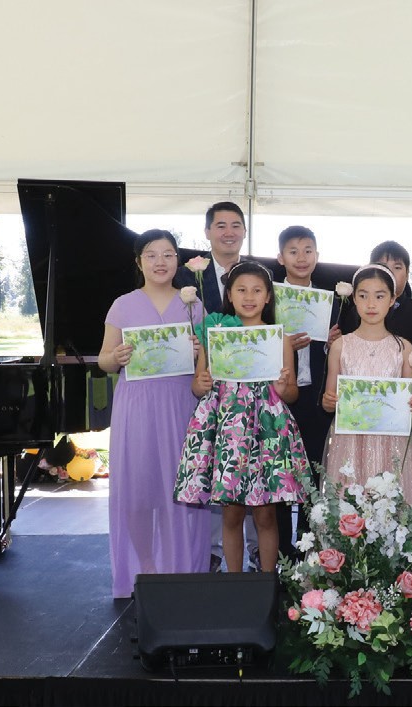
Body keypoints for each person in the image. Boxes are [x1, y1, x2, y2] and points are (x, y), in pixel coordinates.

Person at [174, 261, 311, 573]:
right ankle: (235, 583)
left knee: (266, 514)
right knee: (232, 513)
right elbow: (197, 386)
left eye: (257, 290)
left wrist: (282, 388)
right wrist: (201, 383)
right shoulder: (215, 335)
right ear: (230, 295)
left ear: (268, 297)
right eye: (241, 290)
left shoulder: (279, 339)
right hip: (228, 432)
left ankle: (267, 583)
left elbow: (292, 393)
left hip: (268, 433)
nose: (249, 297)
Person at [98, 230, 209, 598]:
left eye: (168, 254)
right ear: (139, 262)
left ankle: (184, 567)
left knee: (182, 490)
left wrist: (200, 351)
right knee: (138, 491)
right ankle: (145, 566)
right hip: (137, 407)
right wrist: (116, 357)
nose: (160, 262)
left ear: (178, 260)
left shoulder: (193, 304)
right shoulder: (122, 305)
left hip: (180, 404)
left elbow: (207, 368)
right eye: (151, 255)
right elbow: (104, 361)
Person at [172, 201, 255, 570]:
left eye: (236, 225)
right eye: (220, 225)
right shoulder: (185, 277)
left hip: (250, 395)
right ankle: (211, 551)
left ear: (244, 232)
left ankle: (254, 550)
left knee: (250, 472)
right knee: (212, 469)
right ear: (207, 232)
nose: (228, 232)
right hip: (205, 389)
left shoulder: (259, 275)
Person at [321, 263, 412, 502]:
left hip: (392, 442)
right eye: (363, 295)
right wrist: (329, 400)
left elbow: (406, 402)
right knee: (349, 505)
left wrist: (411, 405)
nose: (371, 304)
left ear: (392, 299)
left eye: (379, 296)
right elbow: (328, 401)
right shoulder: (341, 346)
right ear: (353, 298)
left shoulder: (403, 348)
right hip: (350, 442)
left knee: (391, 506)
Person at [339, 240, 412, 445]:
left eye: (397, 267)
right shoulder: (354, 313)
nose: (390, 272)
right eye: (382, 266)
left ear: (408, 273)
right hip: (360, 419)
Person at [274, 225, 340, 557]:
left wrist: (331, 345)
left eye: (308, 250)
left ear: (317, 255)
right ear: (280, 258)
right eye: (293, 251)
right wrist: (281, 344)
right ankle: (282, 558)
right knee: (279, 482)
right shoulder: (269, 300)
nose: (301, 258)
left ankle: (311, 556)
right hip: (278, 402)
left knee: (314, 478)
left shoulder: (333, 304)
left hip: (316, 402)